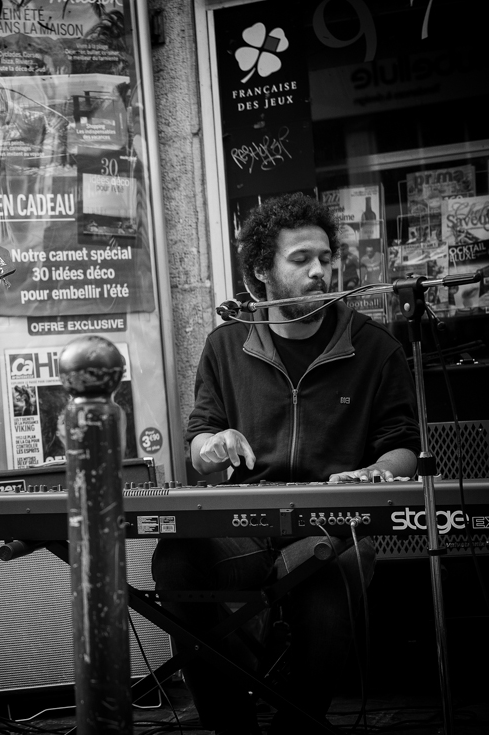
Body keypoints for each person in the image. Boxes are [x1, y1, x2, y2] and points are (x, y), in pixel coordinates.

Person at [152, 192, 419, 735]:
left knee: (327, 572)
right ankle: (230, 722)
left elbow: (403, 448)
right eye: (301, 259)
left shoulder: (375, 347)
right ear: (261, 270)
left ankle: (298, 724)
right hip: (243, 523)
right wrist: (214, 445)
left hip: (330, 523)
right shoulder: (226, 344)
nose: (319, 271)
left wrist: (378, 473)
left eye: (325, 258)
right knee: (177, 559)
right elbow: (200, 446)